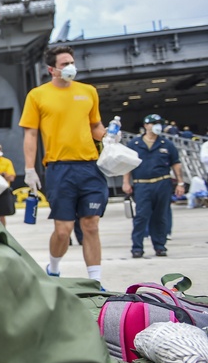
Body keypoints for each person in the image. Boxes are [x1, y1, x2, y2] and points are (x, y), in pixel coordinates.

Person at [20, 45, 108, 282]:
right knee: (63, 230)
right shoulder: (37, 95)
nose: (70, 67)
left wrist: (110, 136)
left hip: (90, 166)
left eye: (71, 62)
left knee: (91, 225)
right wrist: (30, 169)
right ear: (52, 69)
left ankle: (95, 281)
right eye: (64, 64)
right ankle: (54, 269)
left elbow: (95, 127)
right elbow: (30, 134)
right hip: (59, 169)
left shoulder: (88, 91)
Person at [121, 114, 184, 258]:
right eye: (154, 123)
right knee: (141, 217)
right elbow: (127, 164)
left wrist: (180, 182)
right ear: (146, 126)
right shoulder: (134, 144)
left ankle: (160, 246)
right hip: (142, 185)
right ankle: (137, 247)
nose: (157, 126)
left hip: (162, 183)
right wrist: (126, 182)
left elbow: (176, 163)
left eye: (159, 123)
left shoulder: (166, 144)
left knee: (160, 216)